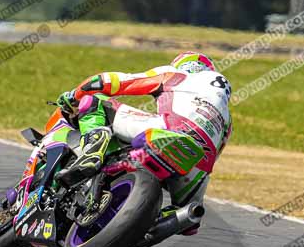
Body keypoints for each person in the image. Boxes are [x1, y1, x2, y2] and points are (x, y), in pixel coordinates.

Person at [54, 51, 233, 235]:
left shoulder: (176, 74)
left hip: (169, 130)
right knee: (188, 218)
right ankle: (150, 227)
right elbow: (215, 154)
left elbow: (108, 81)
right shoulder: (228, 121)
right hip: (198, 163)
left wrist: (74, 95)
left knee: (93, 101)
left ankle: (91, 154)